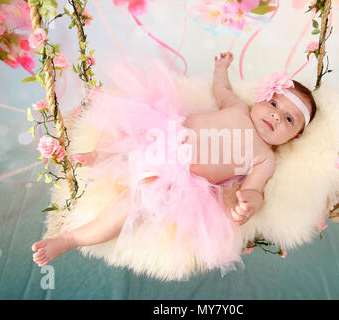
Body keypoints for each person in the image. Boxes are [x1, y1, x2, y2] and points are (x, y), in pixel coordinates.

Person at [31, 52, 317, 271]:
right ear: (261, 101)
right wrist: (221, 69)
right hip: (167, 133)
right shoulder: (238, 107)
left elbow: (255, 190)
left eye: (289, 119)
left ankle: (71, 239)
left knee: (131, 207)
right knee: (130, 121)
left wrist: (248, 205)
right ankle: (100, 154)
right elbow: (221, 90)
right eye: (274, 104)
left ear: (294, 137)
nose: (277, 115)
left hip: (177, 178)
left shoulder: (264, 158)